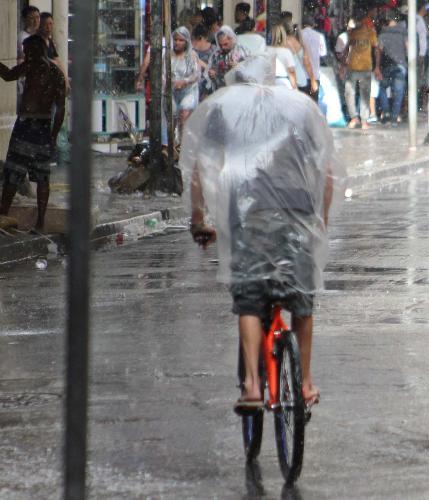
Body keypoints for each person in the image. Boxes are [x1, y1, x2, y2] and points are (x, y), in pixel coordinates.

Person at [181, 55, 344, 412]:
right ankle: (304, 384)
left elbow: (201, 169)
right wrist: (320, 222)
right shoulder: (300, 110)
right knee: (301, 300)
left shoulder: (227, 111)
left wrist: (199, 220)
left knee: (251, 300)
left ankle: (252, 387)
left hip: (248, 216)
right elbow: (326, 173)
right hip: (297, 216)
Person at [0, 36, 65, 233]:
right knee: (21, 174)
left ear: (38, 50)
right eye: (25, 51)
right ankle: (9, 217)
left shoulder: (47, 71)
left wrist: (54, 135)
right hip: (32, 126)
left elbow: (61, 106)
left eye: (28, 51)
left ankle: (32, 220)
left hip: (34, 126)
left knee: (31, 175)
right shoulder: (39, 69)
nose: (25, 55)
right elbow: (7, 75)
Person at [343, 9, 382, 129]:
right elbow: (347, 49)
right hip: (352, 67)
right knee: (349, 93)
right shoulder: (352, 33)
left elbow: (376, 50)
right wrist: (343, 65)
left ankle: (364, 120)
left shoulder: (371, 33)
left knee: (364, 94)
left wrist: (377, 67)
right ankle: (354, 118)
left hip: (365, 67)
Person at [377, 13, 408, 125]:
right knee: (398, 93)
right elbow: (408, 48)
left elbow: (378, 52)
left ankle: (386, 112)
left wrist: (377, 67)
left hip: (386, 66)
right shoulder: (403, 33)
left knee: (381, 87)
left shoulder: (382, 34)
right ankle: (394, 118)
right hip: (401, 66)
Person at [171, 26, 200, 137]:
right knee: (172, 118)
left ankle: (183, 145)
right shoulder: (169, 56)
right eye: (176, 39)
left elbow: (196, 74)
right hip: (173, 91)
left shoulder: (191, 55)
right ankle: (172, 145)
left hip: (188, 91)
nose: (177, 42)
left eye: (181, 40)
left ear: (186, 42)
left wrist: (185, 81)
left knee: (184, 115)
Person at [280, 18, 318, 97]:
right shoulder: (299, 43)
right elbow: (307, 63)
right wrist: (313, 80)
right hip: (300, 81)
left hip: (283, 82)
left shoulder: (279, 43)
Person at [208, 26, 249, 90]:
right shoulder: (216, 54)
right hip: (221, 90)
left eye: (225, 44)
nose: (223, 47)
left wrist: (238, 67)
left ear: (231, 39)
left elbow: (250, 73)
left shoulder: (242, 51)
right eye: (220, 45)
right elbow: (212, 69)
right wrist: (212, 73)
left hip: (239, 89)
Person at [300, 15, 327, 102]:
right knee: (313, 104)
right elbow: (323, 53)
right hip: (315, 74)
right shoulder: (319, 36)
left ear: (303, 24)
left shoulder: (299, 35)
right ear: (313, 25)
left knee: (301, 103)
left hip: (301, 75)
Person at [191, 24, 218, 101]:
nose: (193, 42)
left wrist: (202, 64)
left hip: (212, 88)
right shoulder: (191, 52)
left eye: (196, 39)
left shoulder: (215, 50)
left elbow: (217, 70)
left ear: (203, 38)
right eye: (193, 39)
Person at [268, 25, 299, 89]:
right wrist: (295, 88)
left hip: (267, 83)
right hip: (282, 84)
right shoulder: (286, 52)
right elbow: (291, 71)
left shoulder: (265, 50)